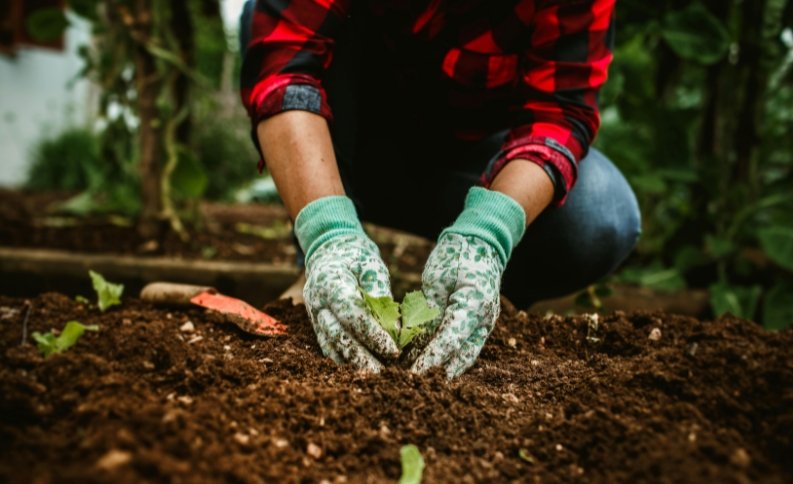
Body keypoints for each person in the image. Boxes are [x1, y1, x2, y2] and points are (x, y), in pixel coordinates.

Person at [239, 0, 640, 377]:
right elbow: (284, 65)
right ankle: (320, 265)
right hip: (347, 151)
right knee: (264, 15)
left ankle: (476, 297)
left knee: (600, 214)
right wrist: (327, 234)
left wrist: (487, 233)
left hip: (471, 166)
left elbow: (559, 113)